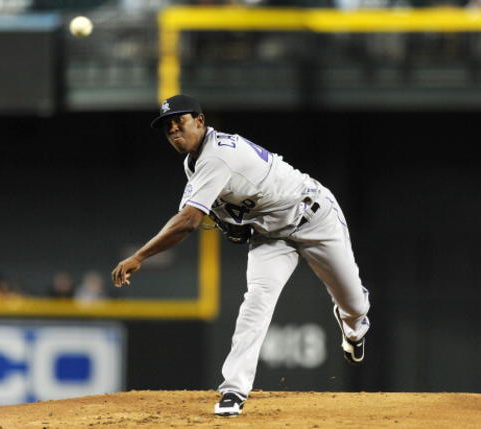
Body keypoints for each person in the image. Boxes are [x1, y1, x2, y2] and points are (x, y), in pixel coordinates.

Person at [112, 94, 371, 417]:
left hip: (314, 217)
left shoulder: (216, 156)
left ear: (200, 121)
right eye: (167, 126)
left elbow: (188, 221)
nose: (174, 129)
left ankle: (354, 327)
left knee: (354, 305)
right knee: (256, 303)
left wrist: (139, 256)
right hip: (271, 236)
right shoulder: (193, 161)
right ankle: (234, 389)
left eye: (180, 121)